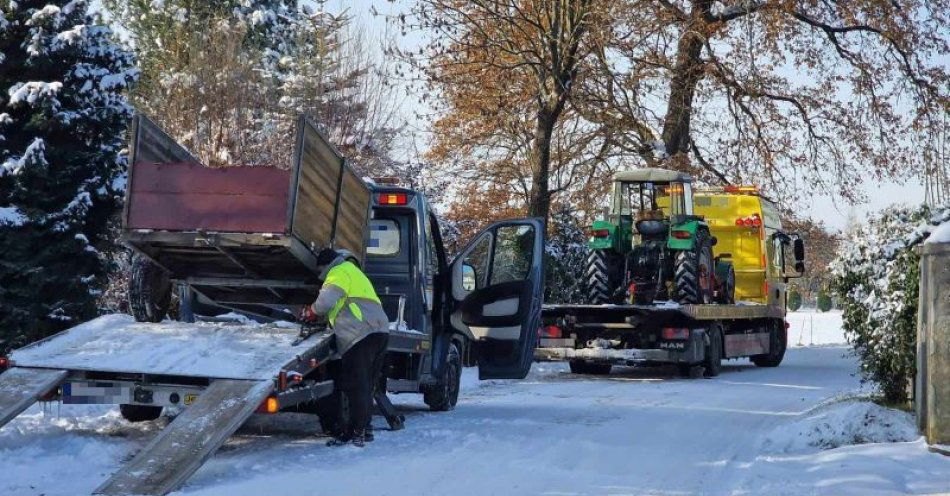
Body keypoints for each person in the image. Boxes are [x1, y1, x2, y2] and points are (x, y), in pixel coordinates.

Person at [300, 248, 390, 446]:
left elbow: (325, 302)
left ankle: (355, 433)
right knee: (367, 384)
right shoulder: (354, 271)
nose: (320, 275)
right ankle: (365, 430)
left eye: (320, 271)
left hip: (359, 333)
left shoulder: (337, 272)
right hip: (380, 330)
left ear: (325, 266)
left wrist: (311, 312)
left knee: (355, 385)